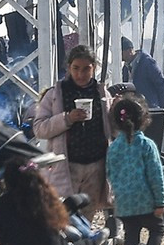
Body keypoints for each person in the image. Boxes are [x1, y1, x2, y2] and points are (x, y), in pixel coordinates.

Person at [31, 45, 115, 230]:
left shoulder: (102, 94)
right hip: (66, 166)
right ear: (69, 68)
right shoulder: (55, 95)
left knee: (87, 214)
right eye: (76, 68)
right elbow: (39, 129)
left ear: (94, 68)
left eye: (86, 69)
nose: (81, 74)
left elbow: (111, 129)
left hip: (96, 165)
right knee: (62, 215)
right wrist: (67, 119)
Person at [106, 96, 164, 245]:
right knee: (157, 229)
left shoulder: (114, 148)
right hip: (146, 200)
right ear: (144, 119)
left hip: (124, 202)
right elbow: (156, 175)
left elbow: (110, 173)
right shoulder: (146, 145)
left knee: (131, 236)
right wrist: (161, 201)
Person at [118, 38, 164, 149]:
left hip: (150, 111)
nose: (120, 56)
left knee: (151, 144)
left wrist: (159, 107)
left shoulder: (146, 62)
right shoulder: (126, 68)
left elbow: (161, 84)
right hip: (135, 113)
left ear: (129, 50)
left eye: (121, 51)